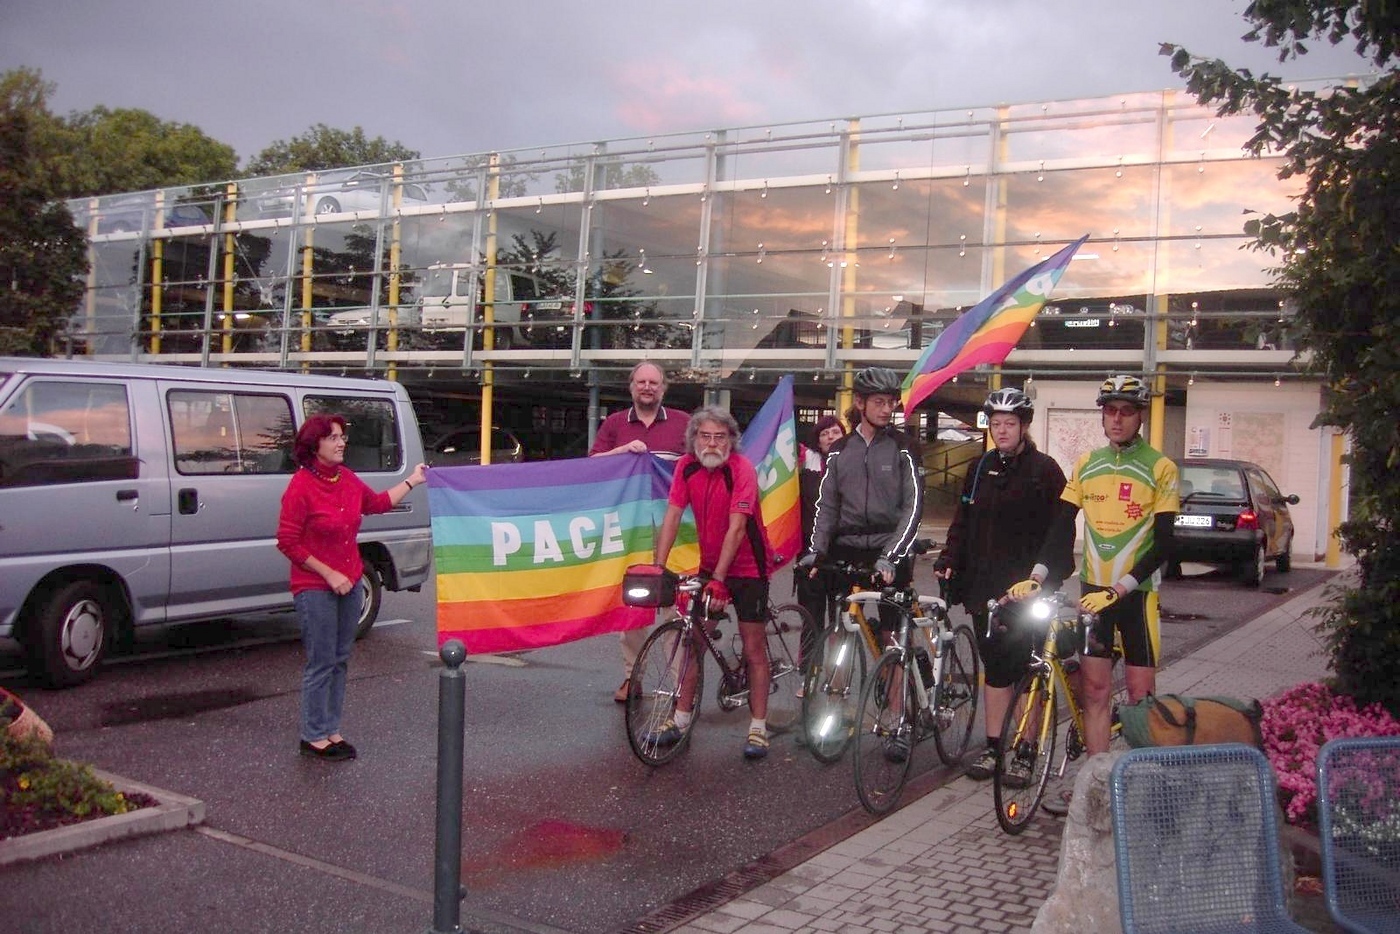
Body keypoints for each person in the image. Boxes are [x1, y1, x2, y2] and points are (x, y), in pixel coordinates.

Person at [1007, 375, 1179, 812]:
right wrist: (1037, 574)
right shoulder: (1087, 464)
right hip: (1092, 595)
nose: (1117, 419)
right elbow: (1060, 525)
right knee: (1095, 693)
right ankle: (1096, 786)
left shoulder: (1161, 468)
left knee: (1140, 699)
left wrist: (1121, 589)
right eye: (1110, 411)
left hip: (1136, 597)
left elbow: (1164, 543)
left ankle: (1142, 791)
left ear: (1140, 416)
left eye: (1126, 411)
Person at [932, 388, 1068, 781]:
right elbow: (963, 520)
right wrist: (949, 559)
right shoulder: (981, 467)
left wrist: (1045, 576)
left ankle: (1026, 750)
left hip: (1028, 588)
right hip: (986, 585)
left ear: (1024, 426)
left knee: (1027, 668)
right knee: (995, 668)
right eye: (995, 424)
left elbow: (1060, 530)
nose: (1002, 430)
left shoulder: (1045, 470)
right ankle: (994, 748)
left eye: (1010, 423)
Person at [277, 413, 426, 761]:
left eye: (342, 436)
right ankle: (313, 735)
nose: (341, 442)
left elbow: (376, 503)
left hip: (351, 583)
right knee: (321, 661)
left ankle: (331, 729)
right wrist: (329, 574)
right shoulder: (301, 486)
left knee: (340, 659)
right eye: (333, 437)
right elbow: (287, 541)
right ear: (315, 445)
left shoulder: (345, 478)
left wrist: (413, 480)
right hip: (315, 586)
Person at [800, 366, 925, 757]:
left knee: (892, 637)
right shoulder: (840, 450)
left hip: (890, 549)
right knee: (841, 631)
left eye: (891, 403)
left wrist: (892, 555)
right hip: (847, 548)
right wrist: (817, 550)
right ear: (860, 403)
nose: (887, 409)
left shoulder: (904, 447)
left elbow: (913, 507)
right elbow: (827, 507)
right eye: (879, 402)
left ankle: (897, 720)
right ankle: (833, 714)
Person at [650, 406, 775, 759]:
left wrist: (720, 580)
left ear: (731, 441)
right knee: (693, 642)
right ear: (694, 439)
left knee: (753, 648)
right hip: (709, 565)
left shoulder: (741, 469)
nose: (712, 443)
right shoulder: (686, 466)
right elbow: (672, 516)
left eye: (720, 437)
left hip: (749, 567)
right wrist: (658, 567)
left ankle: (758, 728)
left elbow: (737, 528)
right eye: (705, 436)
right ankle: (680, 719)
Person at [590, 361, 691, 702]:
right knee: (633, 607)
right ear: (631, 387)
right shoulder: (615, 423)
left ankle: (680, 686)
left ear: (663, 388)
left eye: (654, 382)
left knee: (676, 607)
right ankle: (632, 678)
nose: (647, 387)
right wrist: (622, 452)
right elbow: (593, 465)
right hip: (631, 530)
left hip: (674, 529)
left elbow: (700, 464)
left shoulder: (683, 423)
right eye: (641, 382)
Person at [795, 414, 847, 660]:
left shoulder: (856, 462)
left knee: (842, 619)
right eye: (824, 434)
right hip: (810, 551)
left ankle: (837, 673)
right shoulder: (807, 462)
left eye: (835, 432)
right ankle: (809, 671)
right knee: (811, 617)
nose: (830, 437)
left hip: (844, 551)